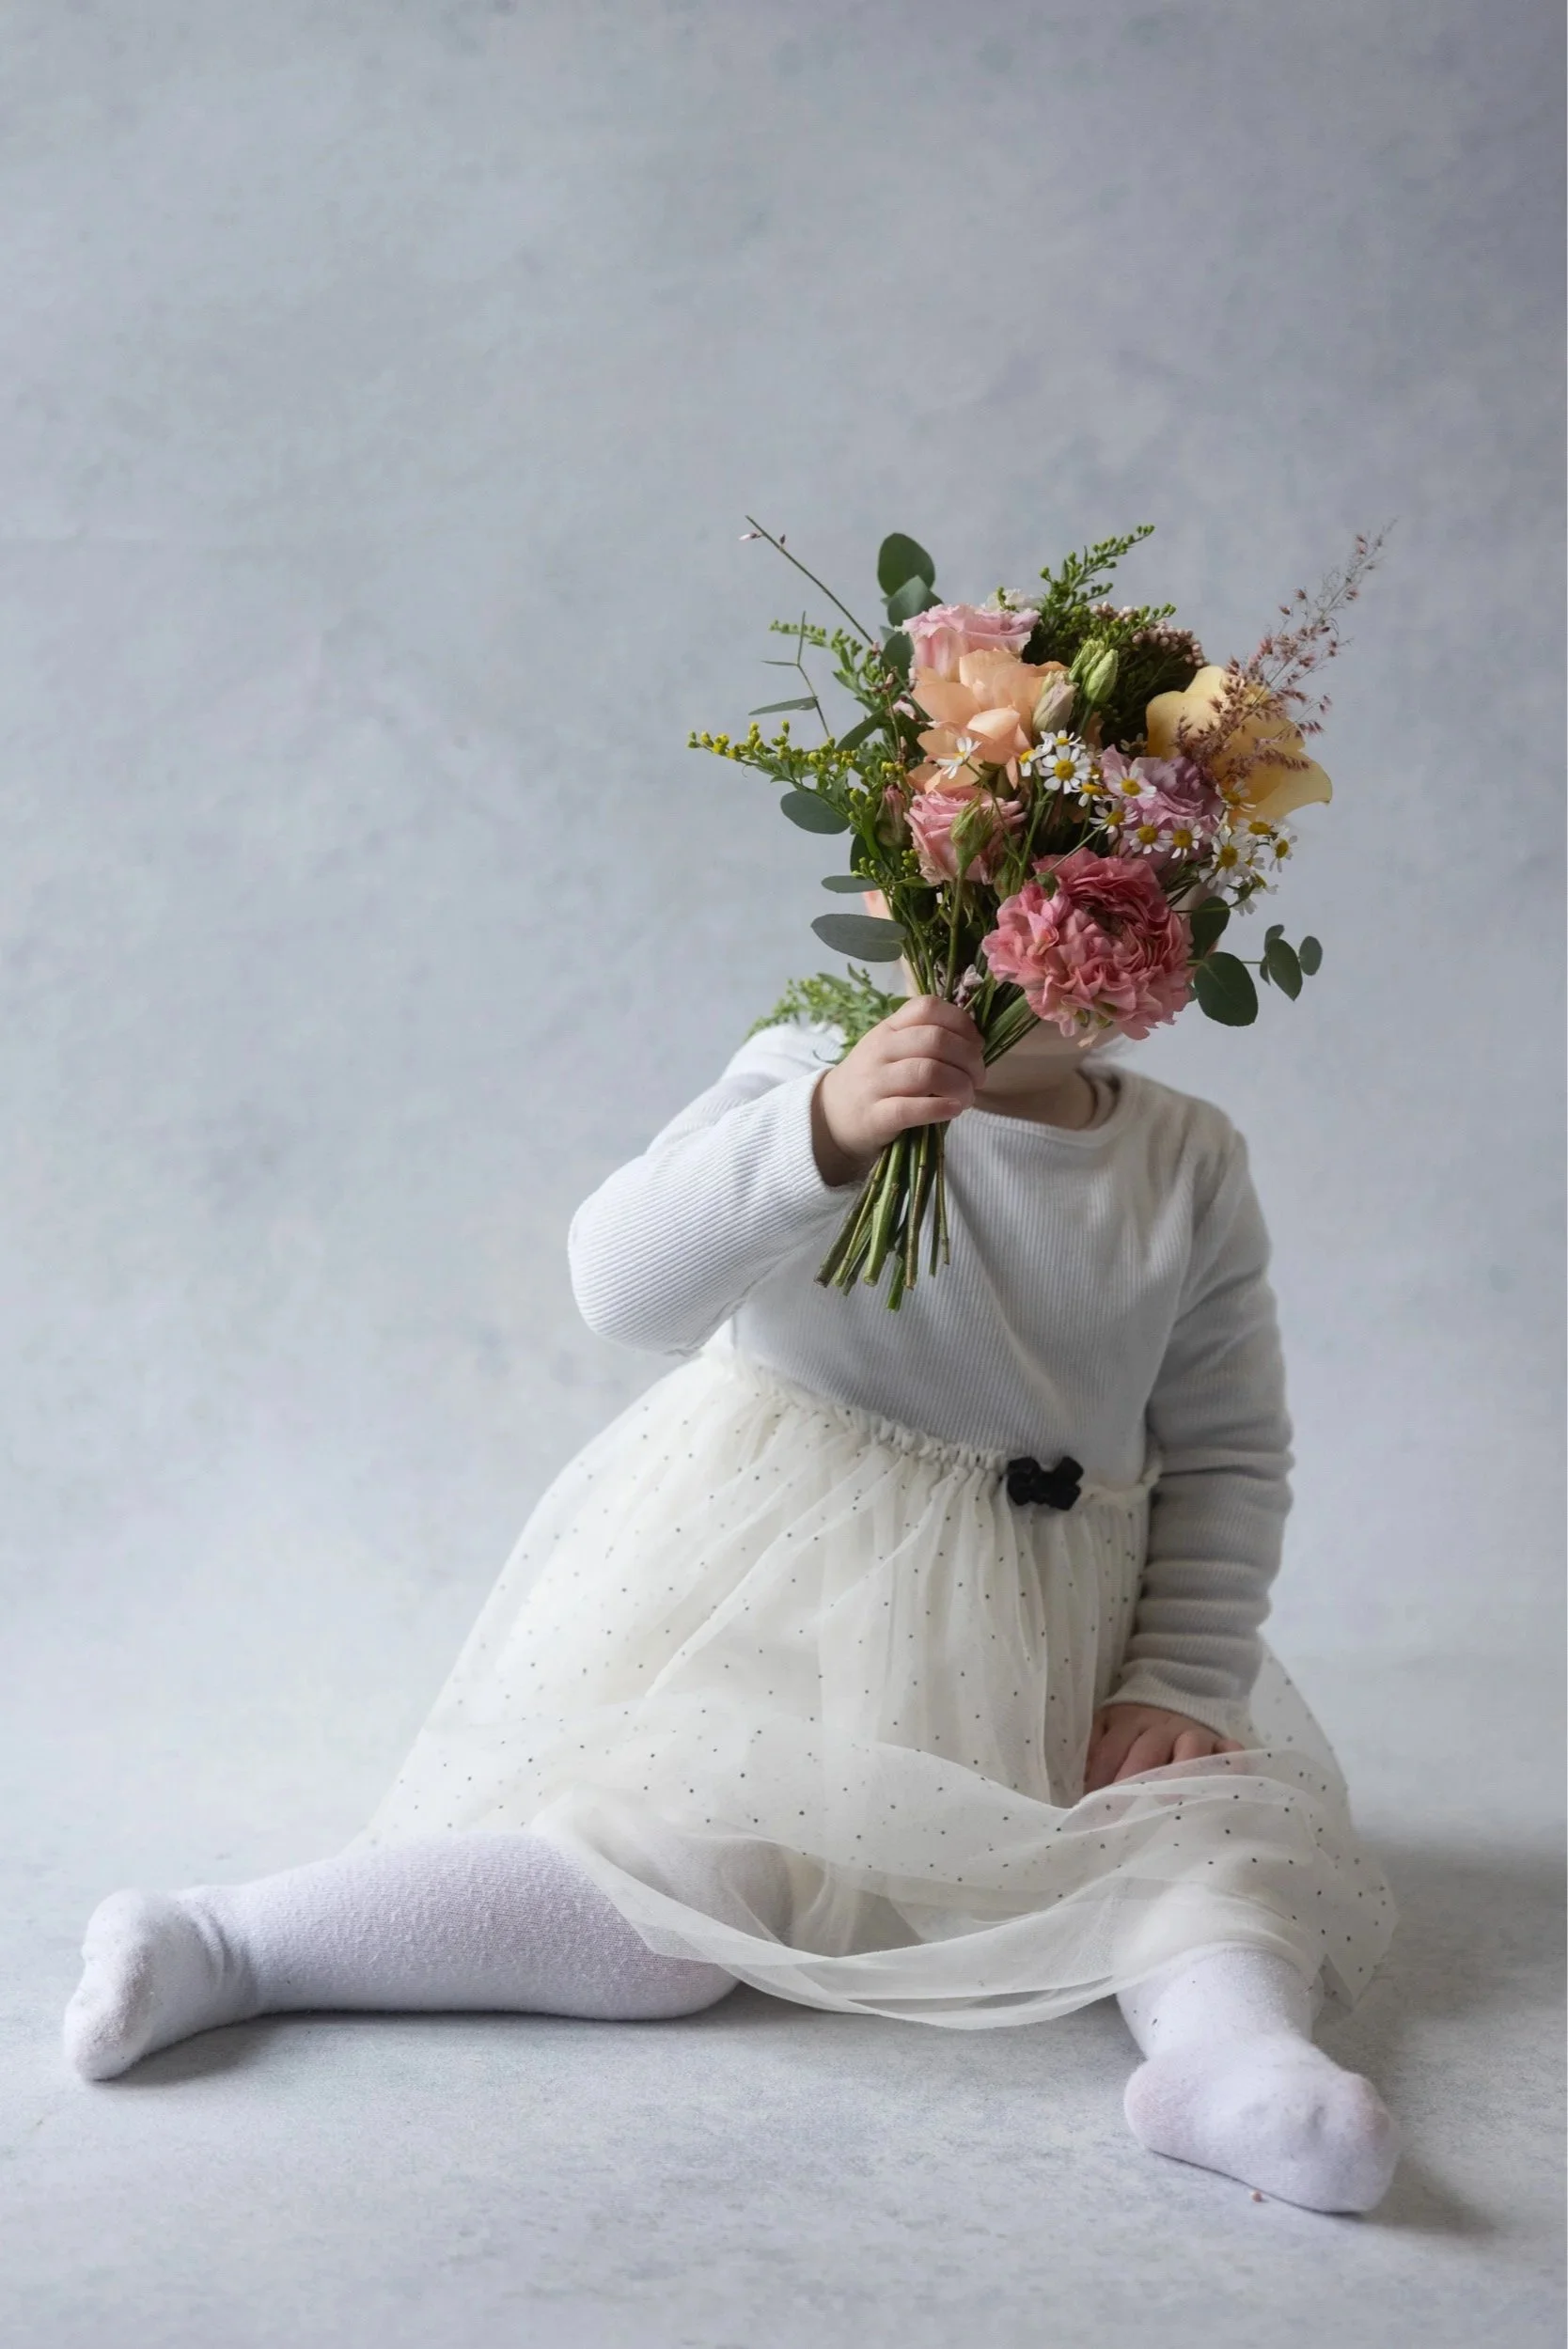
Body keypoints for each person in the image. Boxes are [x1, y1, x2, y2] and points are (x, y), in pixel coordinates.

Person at [63, 996, 1399, 2213]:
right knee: (677, 1899)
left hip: (1064, 1661)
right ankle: (235, 1940)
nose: (1060, 949)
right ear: (905, 865)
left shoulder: (1188, 1158)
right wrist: (819, 1129)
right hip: (800, 1638)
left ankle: (1236, 2066)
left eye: (1132, 901)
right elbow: (621, 1282)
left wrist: (1181, 1671)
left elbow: (1230, 1448)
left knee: (1200, 1856)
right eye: (1018, 879)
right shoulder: (810, 1066)